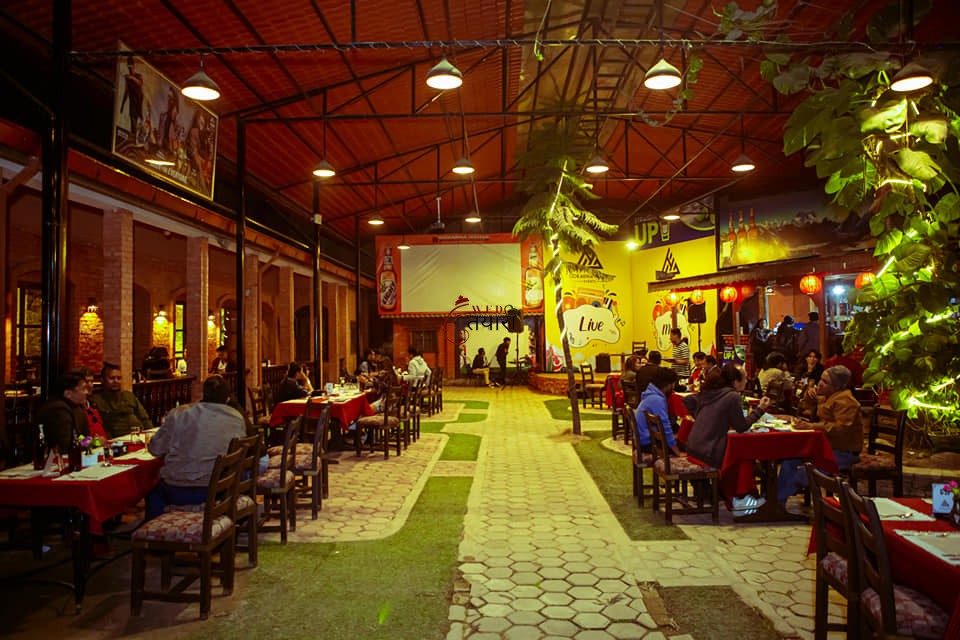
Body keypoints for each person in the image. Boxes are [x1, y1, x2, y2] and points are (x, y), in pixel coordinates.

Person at [145, 375, 246, 519]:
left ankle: (157, 528)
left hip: (177, 490)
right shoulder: (236, 417)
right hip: (218, 490)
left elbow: (155, 449)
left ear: (203, 395)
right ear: (227, 399)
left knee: (151, 488)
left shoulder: (179, 414)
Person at [682, 363, 771, 515]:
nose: (746, 381)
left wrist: (702, 417)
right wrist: (760, 409)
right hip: (708, 452)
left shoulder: (712, 391)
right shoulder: (732, 396)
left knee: (736, 452)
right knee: (743, 457)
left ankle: (729, 495)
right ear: (735, 382)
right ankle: (740, 498)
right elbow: (741, 427)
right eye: (744, 378)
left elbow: (688, 400)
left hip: (693, 447)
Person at [777, 366, 864, 504]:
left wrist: (812, 426)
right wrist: (809, 395)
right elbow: (803, 408)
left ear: (836, 386)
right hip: (823, 447)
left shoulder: (847, 401)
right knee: (789, 461)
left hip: (843, 452)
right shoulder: (825, 396)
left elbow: (841, 428)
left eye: (825, 382)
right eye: (821, 380)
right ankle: (775, 502)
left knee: (804, 473)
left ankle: (775, 501)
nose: (820, 384)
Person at [91, 363, 153, 438]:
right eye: (111, 378)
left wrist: (152, 434)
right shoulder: (97, 400)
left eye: (119, 378)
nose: (116, 381)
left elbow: (144, 419)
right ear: (102, 380)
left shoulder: (129, 396)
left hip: (139, 435)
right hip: (118, 439)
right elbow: (101, 427)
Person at [37, 371, 90, 455]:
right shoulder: (58, 410)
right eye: (83, 389)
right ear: (68, 394)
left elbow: (79, 436)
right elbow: (65, 445)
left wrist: (92, 442)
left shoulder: (76, 408)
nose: (87, 392)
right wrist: (90, 443)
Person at [634, 367, 683, 457]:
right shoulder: (657, 400)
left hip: (643, 439)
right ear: (669, 385)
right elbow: (665, 428)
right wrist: (678, 452)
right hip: (648, 443)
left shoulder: (650, 394)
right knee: (689, 445)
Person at [68, 366, 107, 440]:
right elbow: (77, 437)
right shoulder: (73, 409)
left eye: (91, 381)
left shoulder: (93, 403)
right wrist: (91, 441)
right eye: (86, 382)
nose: (90, 385)